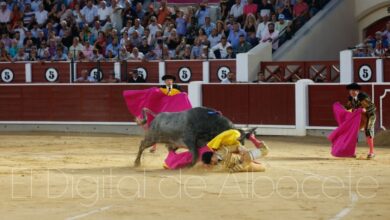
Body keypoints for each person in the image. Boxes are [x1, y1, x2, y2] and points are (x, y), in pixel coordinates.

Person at [200, 129, 269, 172]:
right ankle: (251, 137)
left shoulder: (223, 150)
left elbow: (237, 147)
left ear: (212, 156)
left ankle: (252, 138)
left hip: (244, 158)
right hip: (243, 165)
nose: (213, 163)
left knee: (265, 151)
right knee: (263, 168)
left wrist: (241, 151)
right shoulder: (217, 163)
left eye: (211, 161)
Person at [345, 83, 376, 159]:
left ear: (357, 91)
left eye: (354, 90)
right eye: (350, 90)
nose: (352, 92)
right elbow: (347, 108)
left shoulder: (362, 96)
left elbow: (373, 107)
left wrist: (366, 110)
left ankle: (371, 152)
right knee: (353, 131)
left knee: (368, 130)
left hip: (369, 116)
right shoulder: (350, 98)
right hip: (360, 117)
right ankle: (352, 152)